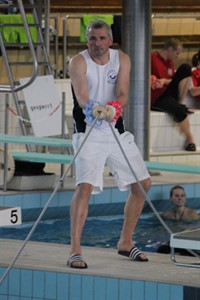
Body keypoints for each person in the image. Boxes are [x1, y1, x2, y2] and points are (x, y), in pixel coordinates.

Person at [67, 20, 151, 269]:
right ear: (87, 41)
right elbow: (82, 95)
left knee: (143, 183)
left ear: (110, 41)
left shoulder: (122, 59)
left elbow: (123, 91)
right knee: (85, 187)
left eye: (102, 38)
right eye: (92, 39)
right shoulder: (78, 61)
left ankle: (125, 242)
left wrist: (115, 106)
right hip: (89, 131)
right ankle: (74, 251)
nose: (97, 44)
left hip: (115, 128)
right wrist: (92, 107)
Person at [151, 38, 196, 151]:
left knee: (185, 68)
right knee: (179, 111)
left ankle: (179, 102)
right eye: (177, 53)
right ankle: (190, 140)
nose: (178, 56)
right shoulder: (152, 58)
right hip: (157, 97)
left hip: (169, 93)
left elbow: (170, 80)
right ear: (170, 49)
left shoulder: (169, 63)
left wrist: (164, 81)